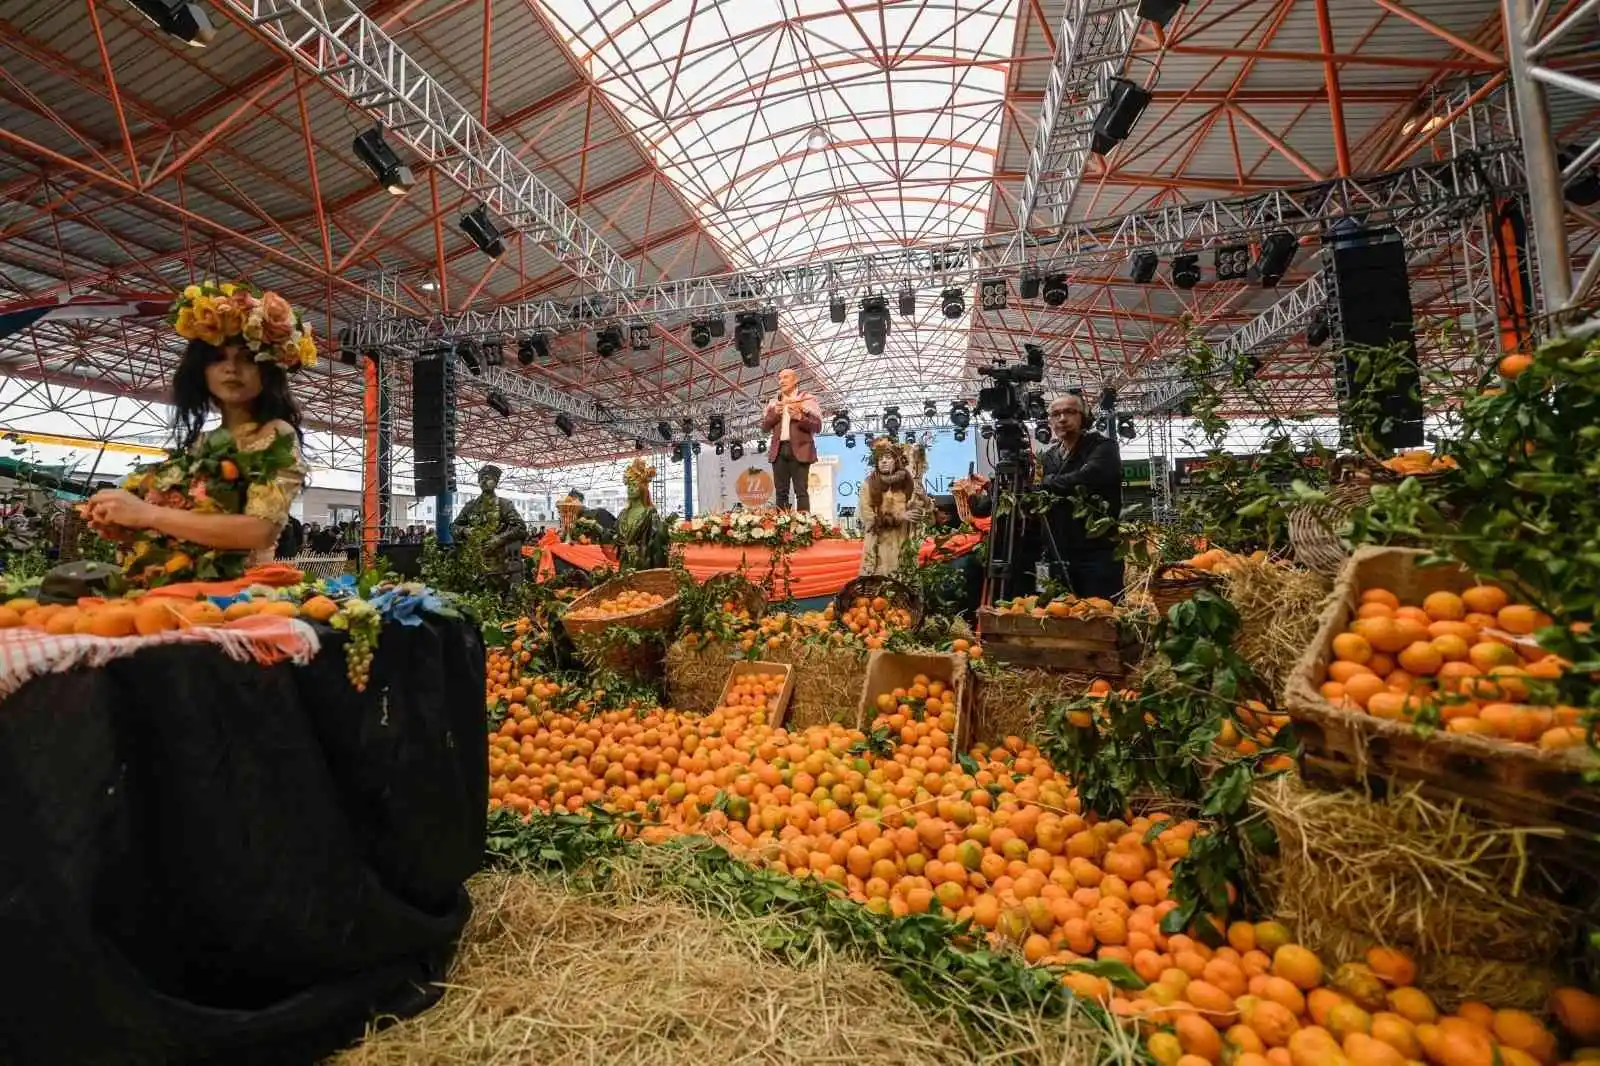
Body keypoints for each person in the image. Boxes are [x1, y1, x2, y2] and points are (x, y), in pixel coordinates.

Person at [83, 282, 312, 569]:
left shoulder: (275, 433)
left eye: (247, 359)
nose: (231, 369)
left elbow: (260, 531)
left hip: (238, 597)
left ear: (268, 369)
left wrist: (144, 514)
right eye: (218, 360)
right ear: (200, 371)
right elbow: (185, 524)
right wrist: (125, 525)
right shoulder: (200, 443)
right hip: (173, 587)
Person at [1038, 393, 1125, 601]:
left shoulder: (1103, 447)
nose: (1062, 419)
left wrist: (1047, 483)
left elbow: (1088, 477)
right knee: (1061, 617)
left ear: (1084, 417)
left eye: (1070, 412)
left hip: (1097, 551)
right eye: (1056, 414)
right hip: (1060, 551)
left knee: (1102, 616)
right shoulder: (1050, 455)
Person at [857, 437, 925, 576]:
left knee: (905, 591)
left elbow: (925, 517)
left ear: (896, 460)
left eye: (888, 457)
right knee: (880, 594)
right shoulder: (869, 485)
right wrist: (899, 517)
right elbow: (869, 519)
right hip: (879, 551)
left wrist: (922, 504)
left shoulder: (908, 484)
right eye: (880, 458)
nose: (883, 461)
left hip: (903, 546)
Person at [452, 465, 527, 590]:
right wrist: (465, 531)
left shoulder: (504, 505)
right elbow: (454, 526)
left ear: (496, 482)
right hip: (476, 566)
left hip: (501, 567)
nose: (483, 481)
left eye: (487, 478)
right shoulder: (471, 506)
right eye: (481, 478)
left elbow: (521, 528)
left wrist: (498, 540)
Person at [760, 367, 822, 511]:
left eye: (785, 377)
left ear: (795, 380)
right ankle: (781, 529)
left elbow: (817, 427)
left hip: (800, 450)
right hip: (779, 450)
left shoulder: (807, 400)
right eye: (780, 378)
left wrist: (800, 418)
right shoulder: (774, 404)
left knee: (801, 491)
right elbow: (764, 428)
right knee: (781, 493)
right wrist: (775, 414)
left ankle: (803, 528)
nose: (781, 381)